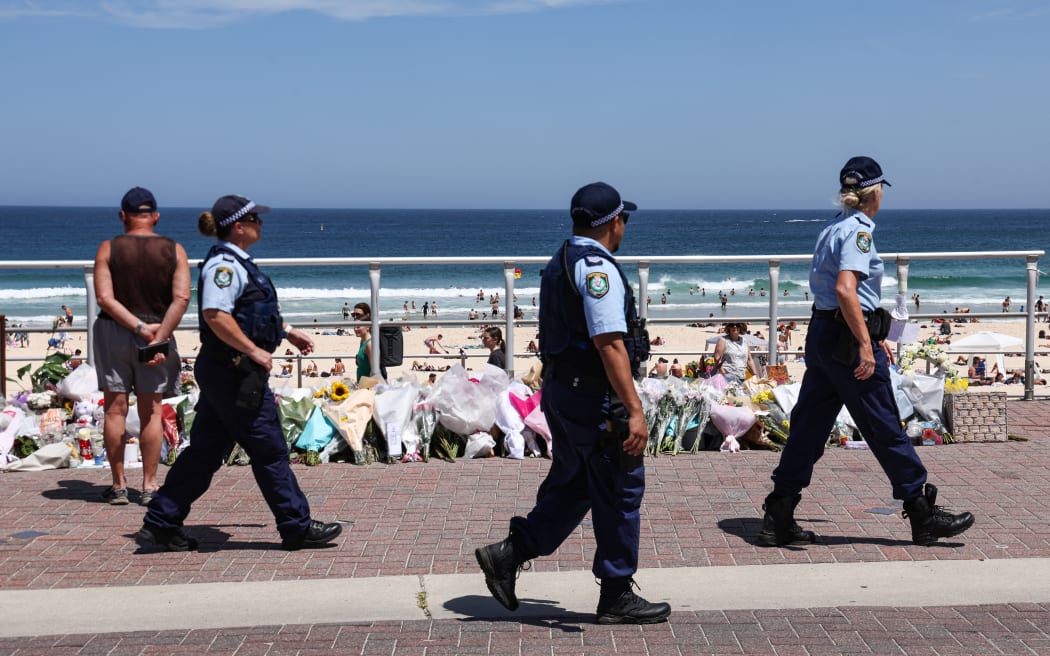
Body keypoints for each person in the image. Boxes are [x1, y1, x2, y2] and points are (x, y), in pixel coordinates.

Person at [475, 181, 669, 624]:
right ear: (613, 222)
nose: (626, 225)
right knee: (621, 488)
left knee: (576, 484)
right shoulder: (597, 269)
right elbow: (609, 344)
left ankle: (508, 555)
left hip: (563, 391)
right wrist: (634, 410)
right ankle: (617, 593)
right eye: (625, 218)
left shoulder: (560, 259)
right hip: (594, 397)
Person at [759, 156, 973, 548]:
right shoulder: (859, 231)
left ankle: (779, 512)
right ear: (875, 193)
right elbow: (846, 289)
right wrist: (864, 345)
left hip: (823, 335)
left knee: (808, 427)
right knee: (884, 424)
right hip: (846, 340)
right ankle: (922, 514)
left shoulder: (831, 228)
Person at [136, 194, 341, 552]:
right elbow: (217, 315)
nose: (261, 225)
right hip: (233, 372)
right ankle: (296, 526)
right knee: (270, 449)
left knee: (205, 450)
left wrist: (286, 331)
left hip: (227, 371)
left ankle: (162, 521)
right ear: (239, 227)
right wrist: (253, 350)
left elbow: (248, 312)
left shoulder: (238, 263)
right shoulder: (225, 266)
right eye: (256, 220)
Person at [93, 187, 191, 506]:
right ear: (156, 216)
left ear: (123, 215)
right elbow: (182, 298)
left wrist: (137, 326)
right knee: (150, 410)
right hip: (158, 333)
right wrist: (157, 333)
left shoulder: (108, 248)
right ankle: (149, 486)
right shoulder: (174, 249)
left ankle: (119, 484)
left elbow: (105, 299)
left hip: (113, 331)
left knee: (115, 407)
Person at [351, 302, 373, 380]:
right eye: (354, 315)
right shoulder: (363, 341)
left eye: (358, 315)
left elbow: (374, 372)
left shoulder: (369, 343)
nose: (355, 317)